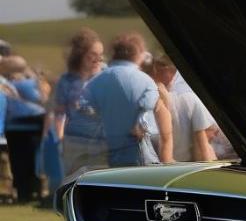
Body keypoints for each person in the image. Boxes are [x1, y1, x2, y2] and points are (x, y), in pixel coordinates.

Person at [83, 33, 173, 166]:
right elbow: (162, 118)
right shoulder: (145, 81)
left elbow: (84, 115)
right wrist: (167, 157)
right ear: (138, 54)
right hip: (140, 155)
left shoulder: (95, 82)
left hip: (107, 156)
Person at [52, 28, 107, 176]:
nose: (98, 60)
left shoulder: (108, 76)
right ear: (79, 56)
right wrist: (60, 139)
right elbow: (59, 113)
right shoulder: (66, 81)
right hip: (75, 141)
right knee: (74, 180)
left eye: (101, 55)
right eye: (92, 55)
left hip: (103, 142)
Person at [150, 56, 216, 161]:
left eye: (155, 70)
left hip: (164, 167)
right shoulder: (191, 99)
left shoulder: (148, 101)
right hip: (188, 166)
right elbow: (204, 143)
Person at [0, 56, 47, 201]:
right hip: (34, 126)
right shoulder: (30, 82)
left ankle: (24, 193)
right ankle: (33, 191)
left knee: (20, 163)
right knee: (33, 162)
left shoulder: (13, 83)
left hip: (19, 128)